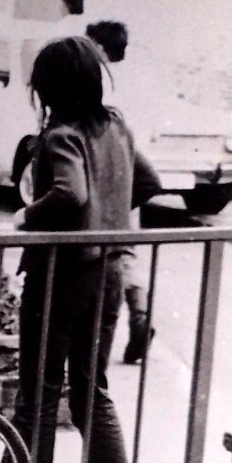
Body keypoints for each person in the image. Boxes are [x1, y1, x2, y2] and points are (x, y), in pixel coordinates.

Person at [0, 36, 162, 463]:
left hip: (61, 276)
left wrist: (26, 215)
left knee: (39, 395)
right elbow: (149, 182)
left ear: (49, 86)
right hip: (108, 273)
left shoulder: (60, 135)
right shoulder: (115, 126)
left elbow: (70, 194)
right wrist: (107, 219)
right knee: (94, 392)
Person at [86, 20, 154, 365]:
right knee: (128, 254)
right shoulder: (136, 80)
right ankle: (140, 316)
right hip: (130, 176)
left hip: (108, 177)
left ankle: (129, 324)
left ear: (99, 47)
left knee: (110, 257)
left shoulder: (101, 81)